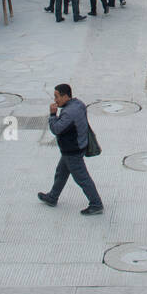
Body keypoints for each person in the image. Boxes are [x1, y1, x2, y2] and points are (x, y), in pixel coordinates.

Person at [38, 84, 104, 215]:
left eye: (57, 97)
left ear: (65, 96)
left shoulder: (69, 113)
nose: (55, 100)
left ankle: (96, 204)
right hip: (77, 146)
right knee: (61, 173)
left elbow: (56, 129)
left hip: (72, 151)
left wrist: (52, 115)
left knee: (82, 178)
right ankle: (52, 197)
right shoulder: (78, 104)